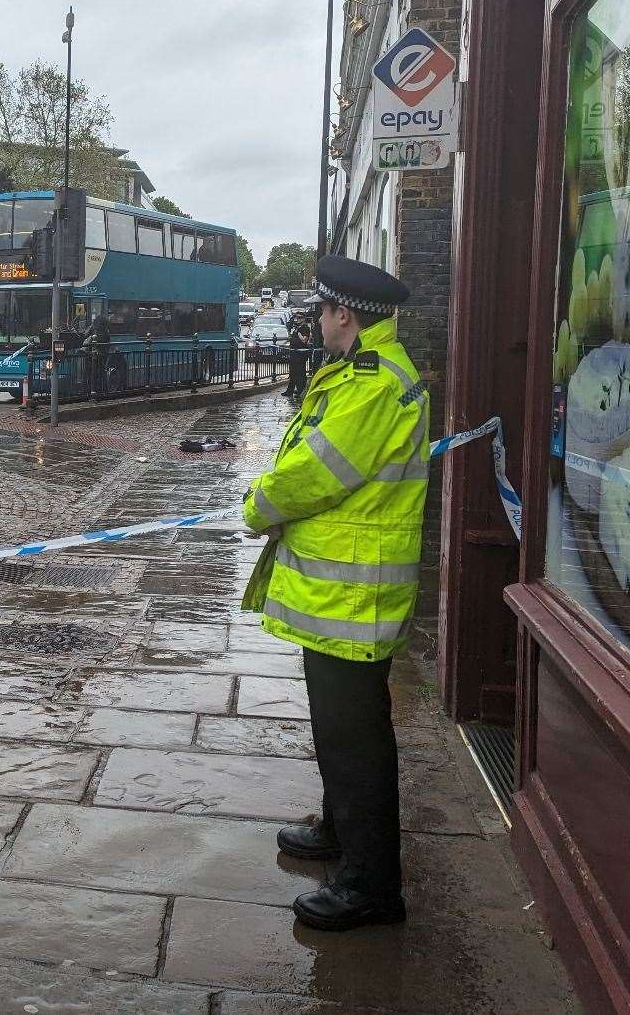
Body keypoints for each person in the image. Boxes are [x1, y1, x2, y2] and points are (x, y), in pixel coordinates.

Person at [240, 255, 429, 932]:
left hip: (352, 593)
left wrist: (257, 502)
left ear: (343, 314)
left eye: (323, 309)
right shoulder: (370, 372)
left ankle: (371, 885)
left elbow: (317, 470)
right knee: (341, 728)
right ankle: (343, 832)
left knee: (354, 738)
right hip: (349, 591)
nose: (318, 319)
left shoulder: (373, 385)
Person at [285, 317, 312, 396]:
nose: (298, 319)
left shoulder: (305, 328)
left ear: (303, 319)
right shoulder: (298, 328)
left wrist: (298, 333)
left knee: (299, 373)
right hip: (295, 353)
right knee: (293, 373)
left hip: (300, 355)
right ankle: (290, 391)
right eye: (297, 318)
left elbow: (304, 340)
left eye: (300, 318)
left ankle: (301, 390)